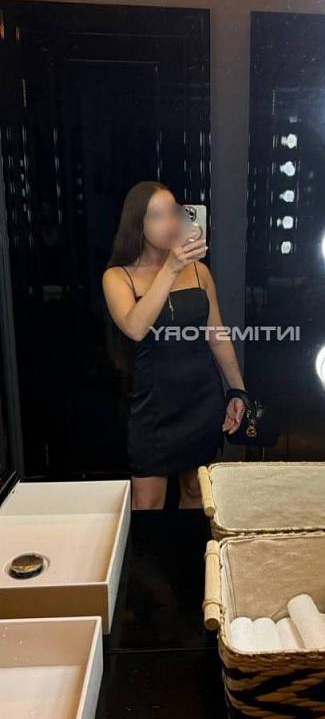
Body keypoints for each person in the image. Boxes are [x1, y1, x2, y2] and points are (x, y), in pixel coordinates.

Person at [102, 180, 247, 510]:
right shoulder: (117, 277)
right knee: (147, 502)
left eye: (173, 212)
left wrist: (238, 390)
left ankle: (192, 547)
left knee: (197, 491)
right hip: (153, 405)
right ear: (137, 224)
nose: (169, 222)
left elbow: (217, 336)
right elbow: (135, 328)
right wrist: (170, 268)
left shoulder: (199, 272)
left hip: (202, 399)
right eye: (156, 216)